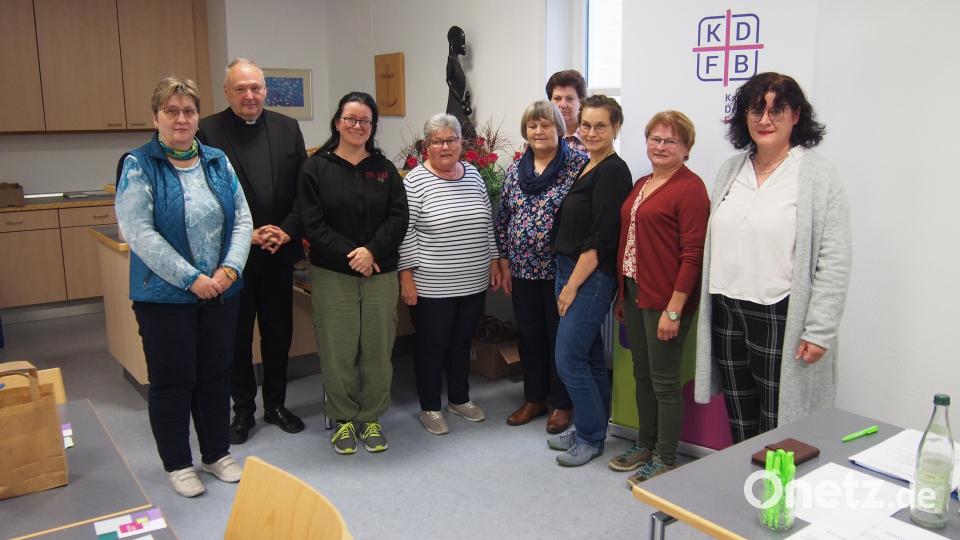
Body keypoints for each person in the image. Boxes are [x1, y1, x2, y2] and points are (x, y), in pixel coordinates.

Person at [693, 72, 852, 443]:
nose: (765, 120)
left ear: (796, 116)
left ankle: (776, 499)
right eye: (755, 110)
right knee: (740, 416)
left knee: (780, 422)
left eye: (776, 110)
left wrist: (820, 328)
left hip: (780, 312)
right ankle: (747, 492)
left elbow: (835, 258)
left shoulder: (817, 175)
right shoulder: (732, 169)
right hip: (727, 308)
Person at [116, 77, 253, 497]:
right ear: (155, 116)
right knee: (173, 381)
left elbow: (243, 218)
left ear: (198, 117)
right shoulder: (139, 164)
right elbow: (139, 234)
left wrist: (229, 271)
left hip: (221, 292)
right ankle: (178, 463)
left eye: (188, 111)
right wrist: (193, 279)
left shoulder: (216, 160)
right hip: (165, 299)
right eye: (171, 111)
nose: (181, 118)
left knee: (215, 375)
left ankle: (216, 454)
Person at [197, 58, 307, 444]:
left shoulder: (287, 128)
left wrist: (287, 230)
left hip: (279, 252)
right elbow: (206, 197)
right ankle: (242, 411)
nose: (249, 95)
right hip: (233, 256)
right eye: (240, 88)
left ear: (266, 90)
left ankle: (275, 404)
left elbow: (302, 192)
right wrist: (248, 233)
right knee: (237, 337)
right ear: (226, 91)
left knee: (279, 332)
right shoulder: (206, 131)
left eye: (256, 87)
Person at [298, 92, 408, 454]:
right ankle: (344, 420)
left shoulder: (384, 169)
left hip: (379, 273)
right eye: (351, 119)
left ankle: (372, 417)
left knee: (378, 348)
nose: (357, 126)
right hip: (334, 274)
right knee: (338, 349)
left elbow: (398, 218)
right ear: (337, 122)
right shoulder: (317, 168)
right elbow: (312, 224)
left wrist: (372, 251)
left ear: (373, 127)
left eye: (365, 121)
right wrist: (353, 254)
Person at [611, 111, 709, 485]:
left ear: (686, 148)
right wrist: (623, 294)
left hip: (667, 300)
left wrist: (675, 308)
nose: (661, 146)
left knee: (665, 383)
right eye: (655, 138)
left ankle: (666, 457)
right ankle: (645, 444)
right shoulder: (642, 183)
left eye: (670, 141)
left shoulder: (691, 188)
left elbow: (692, 255)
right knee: (642, 375)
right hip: (635, 292)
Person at [398, 113, 502, 435]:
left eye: (451, 139)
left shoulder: (473, 174)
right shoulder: (414, 182)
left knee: (461, 342)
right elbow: (405, 232)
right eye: (437, 141)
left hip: (472, 280)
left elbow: (487, 223)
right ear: (427, 145)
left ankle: (459, 399)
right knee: (432, 346)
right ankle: (430, 407)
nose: (445, 146)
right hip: (431, 283)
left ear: (461, 143)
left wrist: (494, 260)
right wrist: (407, 277)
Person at [547, 95, 631, 466]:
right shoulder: (587, 164)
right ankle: (590, 428)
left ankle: (592, 437)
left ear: (616, 128)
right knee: (590, 355)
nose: (592, 132)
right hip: (570, 267)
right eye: (587, 125)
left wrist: (571, 286)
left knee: (568, 358)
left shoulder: (613, 170)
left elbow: (601, 236)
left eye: (601, 125)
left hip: (590, 275)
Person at [495, 100, 587, 433]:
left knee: (558, 337)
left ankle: (561, 403)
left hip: (562, 272)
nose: (538, 131)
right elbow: (503, 216)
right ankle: (533, 398)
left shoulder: (578, 165)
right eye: (532, 125)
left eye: (545, 124)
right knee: (530, 334)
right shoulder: (517, 167)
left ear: (559, 129)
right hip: (522, 270)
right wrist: (503, 260)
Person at [545, 69, 587, 153]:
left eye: (570, 99)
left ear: (581, 102)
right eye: (557, 98)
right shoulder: (541, 136)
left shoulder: (591, 138)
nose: (563, 105)